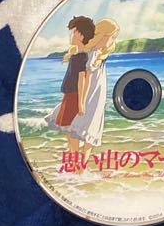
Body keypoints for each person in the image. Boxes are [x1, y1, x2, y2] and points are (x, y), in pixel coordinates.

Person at [65, 18, 120, 155]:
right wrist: (82, 102)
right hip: (90, 97)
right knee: (78, 129)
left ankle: (80, 163)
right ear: (103, 35)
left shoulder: (100, 54)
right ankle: (76, 160)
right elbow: (85, 78)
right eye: (112, 37)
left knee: (89, 130)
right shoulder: (91, 54)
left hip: (97, 98)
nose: (114, 41)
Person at [47, 16, 95, 156]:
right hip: (69, 95)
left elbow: (82, 79)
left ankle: (74, 156)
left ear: (81, 35)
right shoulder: (76, 55)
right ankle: (73, 154)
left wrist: (81, 103)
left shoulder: (82, 57)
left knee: (70, 129)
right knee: (68, 128)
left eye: (73, 32)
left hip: (74, 96)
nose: (71, 35)